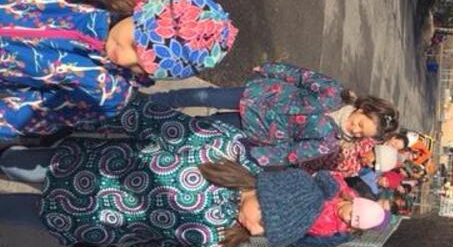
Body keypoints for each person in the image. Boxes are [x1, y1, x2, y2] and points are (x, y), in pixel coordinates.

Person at [0, 97, 386, 247]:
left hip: (80, 219)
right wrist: (100, 111)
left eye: (266, 233)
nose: (257, 231)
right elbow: (157, 121)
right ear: (268, 193)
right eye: (266, 220)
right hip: (80, 166)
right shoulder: (222, 148)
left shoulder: (217, 241)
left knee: (9, 211)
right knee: (13, 162)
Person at [0, 0, 238, 139]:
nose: (124, 59)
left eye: (140, 68)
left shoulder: (108, 93)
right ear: (142, 12)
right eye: (135, 45)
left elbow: (25, 115)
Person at [146, 60, 399, 168]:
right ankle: (152, 102)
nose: (355, 130)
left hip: (256, 129)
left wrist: (260, 156)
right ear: (363, 109)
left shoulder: (329, 142)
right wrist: (271, 69)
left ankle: (162, 128)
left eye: (361, 134)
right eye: (360, 124)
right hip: (260, 95)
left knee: (208, 126)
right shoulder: (332, 92)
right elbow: (301, 76)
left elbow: (292, 153)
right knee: (204, 96)